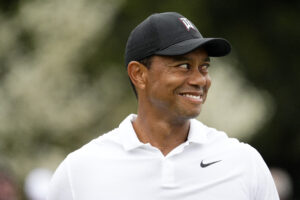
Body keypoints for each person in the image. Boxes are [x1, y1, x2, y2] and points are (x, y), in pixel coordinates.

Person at [47, 12, 279, 199]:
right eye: (184, 66)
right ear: (138, 74)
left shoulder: (243, 162)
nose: (200, 80)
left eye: (204, 67)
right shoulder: (80, 171)